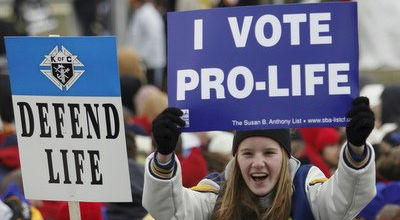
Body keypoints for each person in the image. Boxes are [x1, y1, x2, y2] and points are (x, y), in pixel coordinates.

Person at [142, 97, 376, 219]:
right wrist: (164, 156)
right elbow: (170, 210)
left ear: (285, 156)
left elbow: (345, 200)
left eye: (269, 153)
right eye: (247, 153)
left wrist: (356, 148)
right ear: (236, 157)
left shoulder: (306, 190)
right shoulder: (216, 195)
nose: (257, 162)